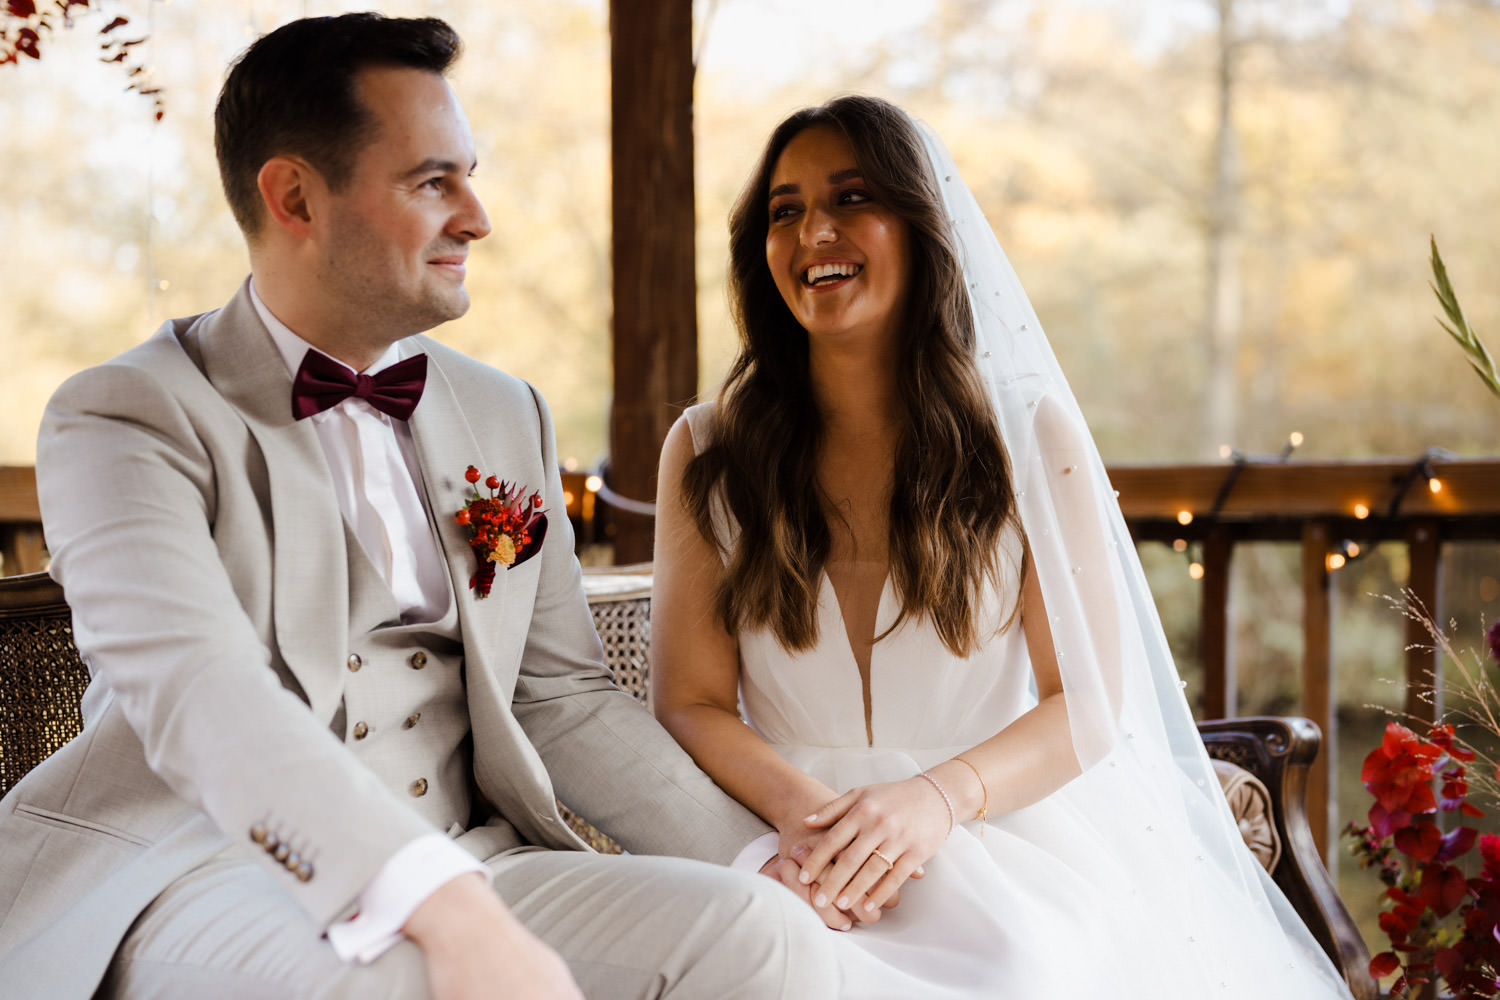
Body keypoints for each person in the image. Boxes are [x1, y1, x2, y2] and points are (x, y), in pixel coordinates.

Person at [0, 14, 846, 1000]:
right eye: (432, 181)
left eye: (469, 175)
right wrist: (443, 912)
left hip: (471, 850)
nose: (478, 216)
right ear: (295, 196)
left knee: (759, 931)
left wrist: (765, 861)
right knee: (409, 982)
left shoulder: (502, 413)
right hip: (196, 871)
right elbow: (202, 694)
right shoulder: (122, 416)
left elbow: (560, 696)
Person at [652, 94, 1358, 998]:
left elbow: (1087, 703)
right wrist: (817, 831)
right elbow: (693, 699)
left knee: (1023, 973)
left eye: (850, 198)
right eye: (784, 211)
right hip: (784, 846)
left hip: (993, 829)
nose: (813, 233)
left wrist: (931, 803)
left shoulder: (1030, 438)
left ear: (921, 227)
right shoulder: (708, 450)